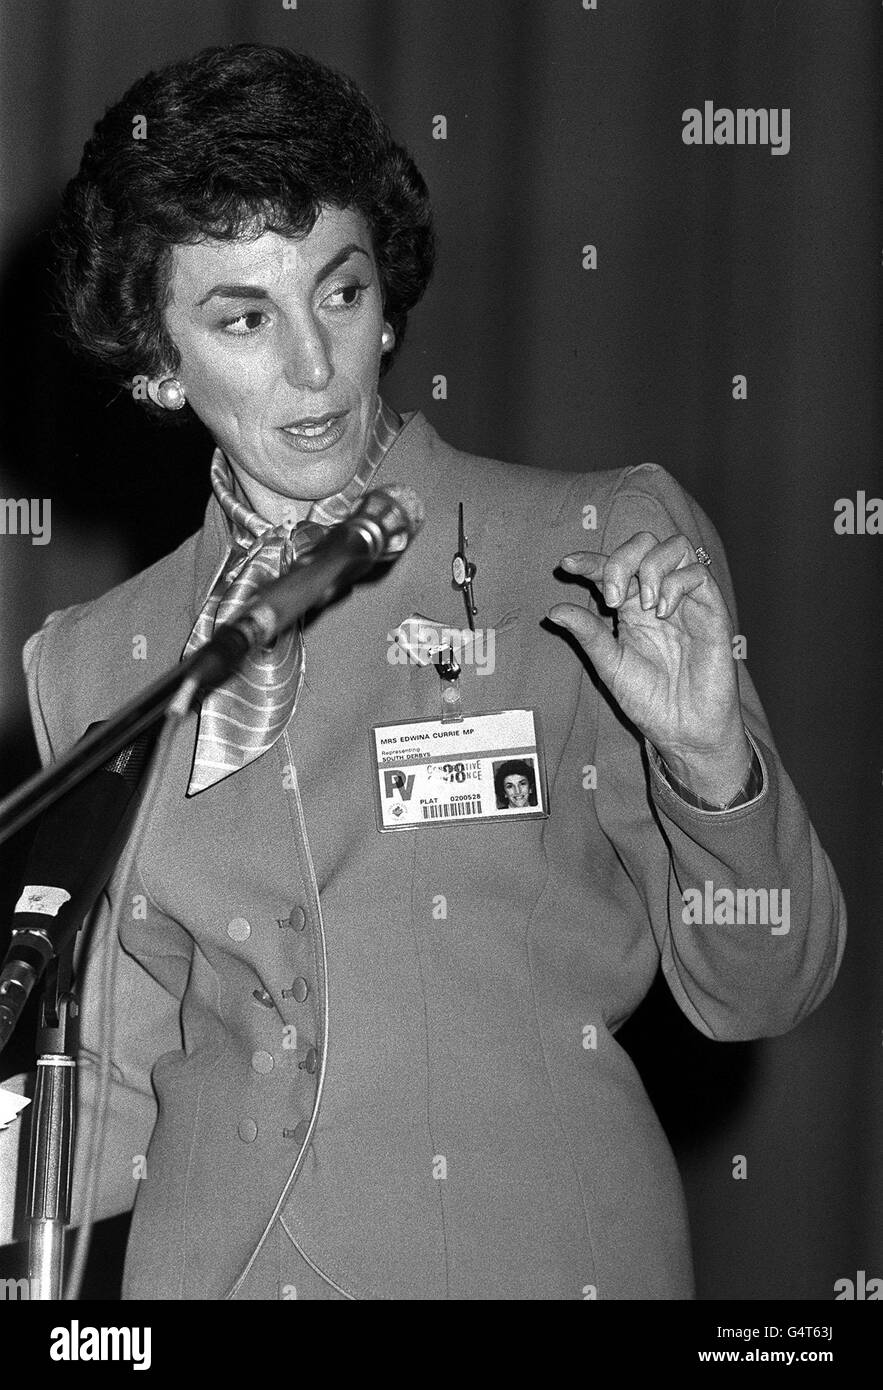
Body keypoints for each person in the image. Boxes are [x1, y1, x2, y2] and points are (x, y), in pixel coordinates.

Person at [0, 43, 845, 1300]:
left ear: (385, 299)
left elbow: (766, 985)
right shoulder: (98, 661)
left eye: (336, 296)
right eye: (242, 317)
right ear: (157, 363)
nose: (312, 366)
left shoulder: (588, 552)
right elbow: (105, 1083)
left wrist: (710, 763)